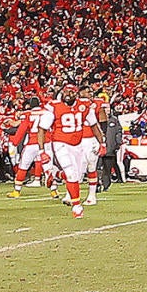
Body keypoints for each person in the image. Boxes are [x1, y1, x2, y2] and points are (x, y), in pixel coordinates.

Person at [37, 83, 102, 218]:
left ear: (76, 94)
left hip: (77, 145)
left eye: (71, 92)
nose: (68, 94)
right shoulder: (54, 107)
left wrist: (102, 142)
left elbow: (94, 125)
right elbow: (42, 129)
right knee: (72, 174)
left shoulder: (84, 107)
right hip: (60, 143)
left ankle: (55, 174)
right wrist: (41, 151)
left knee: (76, 176)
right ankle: (77, 206)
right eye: (66, 92)